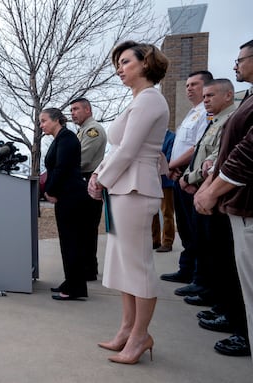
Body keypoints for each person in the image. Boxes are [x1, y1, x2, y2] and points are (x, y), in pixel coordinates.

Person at [88, 41, 169, 364]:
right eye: (117, 64)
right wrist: (100, 174)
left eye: (125, 62)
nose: (119, 69)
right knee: (123, 264)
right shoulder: (138, 101)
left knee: (138, 266)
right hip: (124, 189)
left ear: (145, 63)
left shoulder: (150, 99)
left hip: (135, 189)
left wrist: (100, 178)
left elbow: (129, 149)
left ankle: (140, 336)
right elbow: (117, 151)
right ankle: (127, 329)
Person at [194, 39, 253, 358]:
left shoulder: (242, 107)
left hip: (244, 202)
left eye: (241, 59)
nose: (235, 65)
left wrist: (212, 188)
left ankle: (242, 331)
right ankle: (233, 318)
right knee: (228, 268)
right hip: (233, 200)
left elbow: (246, 153)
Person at [179, 79, 237, 309]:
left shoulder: (231, 119)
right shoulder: (216, 120)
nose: (205, 100)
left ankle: (220, 303)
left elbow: (218, 158)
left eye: (210, 95)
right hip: (199, 186)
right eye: (204, 97)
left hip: (212, 191)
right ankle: (208, 291)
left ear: (228, 95)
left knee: (219, 253)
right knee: (203, 244)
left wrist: (190, 179)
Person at [161, 70, 214, 287]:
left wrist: (172, 165)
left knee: (196, 229)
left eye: (194, 84)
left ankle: (198, 277)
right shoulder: (192, 113)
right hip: (180, 175)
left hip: (193, 180)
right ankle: (186, 270)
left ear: (207, 87)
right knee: (184, 227)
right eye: (187, 84)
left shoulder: (206, 114)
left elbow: (198, 147)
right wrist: (174, 169)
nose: (189, 88)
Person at [41, 108, 89, 301]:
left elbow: (61, 168)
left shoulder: (67, 138)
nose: (41, 125)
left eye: (44, 121)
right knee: (68, 242)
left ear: (56, 120)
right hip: (67, 196)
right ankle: (71, 281)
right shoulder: (60, 139)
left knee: (72, 242)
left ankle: (75, 288)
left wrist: (50, 191)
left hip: (71, 197)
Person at [69, 97, 107, 280]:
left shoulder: (93, 131)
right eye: (71, 110)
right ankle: (85, 267)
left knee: (87, 229)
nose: (72, 113)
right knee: (81, 229)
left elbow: (81, 159)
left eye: (76, 109)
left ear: (88, 110)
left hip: (88, 181)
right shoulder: (82, 131)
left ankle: (88, 269)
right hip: (82, 182)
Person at [152, 130, 176, 252]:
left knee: (167, 212)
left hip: (165, 181)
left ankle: (167, 241)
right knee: (153, 211)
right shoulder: (152, 137)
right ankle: (154, 240)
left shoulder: (171, 137)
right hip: (152, 180)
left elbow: (168, 158)